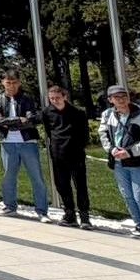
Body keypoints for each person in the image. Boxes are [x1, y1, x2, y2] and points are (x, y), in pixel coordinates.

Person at [97, 86, 140, 239]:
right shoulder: (107, 115)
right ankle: (139, 224)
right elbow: (103, 133)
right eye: (116, 97)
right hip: (118, 161)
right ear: (110, 100)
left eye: (123, 96)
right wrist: (111, 150)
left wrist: (130, 152)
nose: (121, 100)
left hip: (136, 162)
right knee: (127, 195)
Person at [0, 72, 49, 221]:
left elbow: (32, 119)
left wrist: (9, 121)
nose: (11, 86)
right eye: (8, 83)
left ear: (19, 83)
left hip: (28, 142)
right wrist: (16, 120)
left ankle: (42, 211)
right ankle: (10, 206)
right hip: (7, 142)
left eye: (14, 82)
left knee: (36, 177)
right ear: (2, 83)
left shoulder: (27, 99)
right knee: (8, 176)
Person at [33, 85, 90, 228]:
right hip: (58, 154)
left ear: (65, 97)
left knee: (80, 185)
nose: (55, 101)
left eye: (57, 98)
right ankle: (69, 214)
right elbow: (48, 131)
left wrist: (79, 146)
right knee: (62, 185)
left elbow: (84, 134)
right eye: (52, 98)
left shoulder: (78, 113)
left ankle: (84, 216)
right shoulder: (47, 112)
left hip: (76, 154)